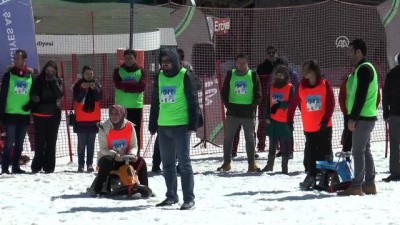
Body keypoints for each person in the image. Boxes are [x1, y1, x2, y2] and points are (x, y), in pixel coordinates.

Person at [149, 47, 200, 210]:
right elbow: (155, 101)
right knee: (167, 165)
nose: (165, 64)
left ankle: (189, 199)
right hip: (163, 126)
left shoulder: (185, 75)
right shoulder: (159, 76)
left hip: (181, 126)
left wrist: (193, 124)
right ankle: (171, 196)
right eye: (162, 62)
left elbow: (193, 101)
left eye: (168, 61)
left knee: (184, 164)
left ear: (175, 61)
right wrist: (152, 123)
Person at [337, 39, 379, 196]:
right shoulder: (362, 69)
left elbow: (361, 96)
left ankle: (356, 186)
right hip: (367, 117)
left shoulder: (364, 69)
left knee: (357, 152)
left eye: (350, 51)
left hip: (362, 118)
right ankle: (369, 184)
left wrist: (352, 118)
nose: (348, 54)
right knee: (365, 150)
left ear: (359, 52)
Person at [287, 60, 335, 190]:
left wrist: (325, 120)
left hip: (324, 126)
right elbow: (293, 104)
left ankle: (327, 176)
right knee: (311, 153)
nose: (303, 72)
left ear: (313, 71)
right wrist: (289, 120)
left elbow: (331, 104)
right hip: (309, 127)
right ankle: (312, 175)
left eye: (306, 69)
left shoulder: (325, 84)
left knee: (326, 151)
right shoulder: (301, 86)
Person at [217, 53, 262, 172]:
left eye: (243, 62)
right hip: (233, 113)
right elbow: (224, 92)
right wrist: (229, 106)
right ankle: (227, 163)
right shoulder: (230, 74)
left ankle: (252, 164)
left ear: (247, 63)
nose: (241, 65)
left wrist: (252, 107)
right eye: (239, 62)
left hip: (248, 113)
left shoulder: (252, 75)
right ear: (235, 63)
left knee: (250, 139)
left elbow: (258, 95)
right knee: (228, 138)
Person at [91, 105, 149, 195]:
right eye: (112, 114)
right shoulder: (104, 127)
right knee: (107, 160)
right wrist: (114, 155)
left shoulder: (129, 126)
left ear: (122, 115)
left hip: (126, 159)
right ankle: (97, 189)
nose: (114, 116)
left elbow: (134, 145)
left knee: (141, 161)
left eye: (117, 114)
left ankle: (145, 189)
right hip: (110, 159)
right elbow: (103, 148)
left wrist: (132, 155)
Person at [0, 50, 35, 174]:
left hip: (24, 115)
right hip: (10, 114)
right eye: (14, 58)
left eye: (18, 58)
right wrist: (2, 114)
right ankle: (4, 168)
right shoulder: (8, 75)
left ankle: (16, 167)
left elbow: (33, 94)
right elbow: (2, 95)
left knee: (20, 143)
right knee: (9, 143)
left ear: (24, 60)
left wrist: (30, 105)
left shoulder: (30, 75)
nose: (15, 60)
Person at [29, 61, 63, 173]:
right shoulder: (38, 79)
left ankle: (49, 167)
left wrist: (54, 82)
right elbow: (33, 93)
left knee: (51, 141)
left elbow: (59, 94)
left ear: (55, 72)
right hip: (40, 114)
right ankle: (36, 166)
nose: (49, 73)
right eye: (48, 71)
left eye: (52, 71)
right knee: (40, 141)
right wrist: (35, 98)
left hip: (54, 115)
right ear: (44, 70)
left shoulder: (58, 81)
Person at [338, 70, 381, 159]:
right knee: (347, 142)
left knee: (364, 146)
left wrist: (370, 110)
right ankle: (346, 163)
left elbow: (376, 97)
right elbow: (342, 96)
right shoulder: (348, 78)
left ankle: (366, 170)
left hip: (364, 117)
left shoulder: (367, 76)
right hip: (349, 116)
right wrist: (345, 112)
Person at [113, 49, 147, 156]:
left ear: (135, 58)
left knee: (135, 133)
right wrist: (133, 85)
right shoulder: (118, 70)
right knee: (120, 132)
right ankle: (120, 156)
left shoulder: (141, 70)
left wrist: (126, 86)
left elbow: (141, 87)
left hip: (136, 107)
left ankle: (135, 156)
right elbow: (118, 85)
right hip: (120, 108)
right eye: (126, 58)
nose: (128, 60)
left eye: (130, 58)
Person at [262, 66, 295, 174]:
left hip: (285, 121)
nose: (279, 76)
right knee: (272, 144)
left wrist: (281, 105)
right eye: (277, 74)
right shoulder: (272, 87)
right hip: (272, 121)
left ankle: (284, 168)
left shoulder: (290, 87)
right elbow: (267, 102)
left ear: (286, 76)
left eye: (281, 75)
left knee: (285, 146)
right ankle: (269, 165)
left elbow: (292, 103)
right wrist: (267, 116)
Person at [73, 65, 102, 172]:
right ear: (83, 74)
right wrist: (83, 90)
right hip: (81, 119)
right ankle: (81, 164)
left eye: (91, 73)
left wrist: (94, 89)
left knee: (91, 144)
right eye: (87, 74)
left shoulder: (97, 84)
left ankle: (89, 164)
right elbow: (76, 98)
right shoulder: (78, 85)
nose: (89, 76)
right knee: (81, 144)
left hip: (94, 119)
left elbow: (100, 97)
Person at [382, 53, 400, 182]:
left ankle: (395, 172)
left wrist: (385, 113)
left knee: (394, 144)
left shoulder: (391, 74)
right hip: (394, 113)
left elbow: (385, 95)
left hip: (394, 113)